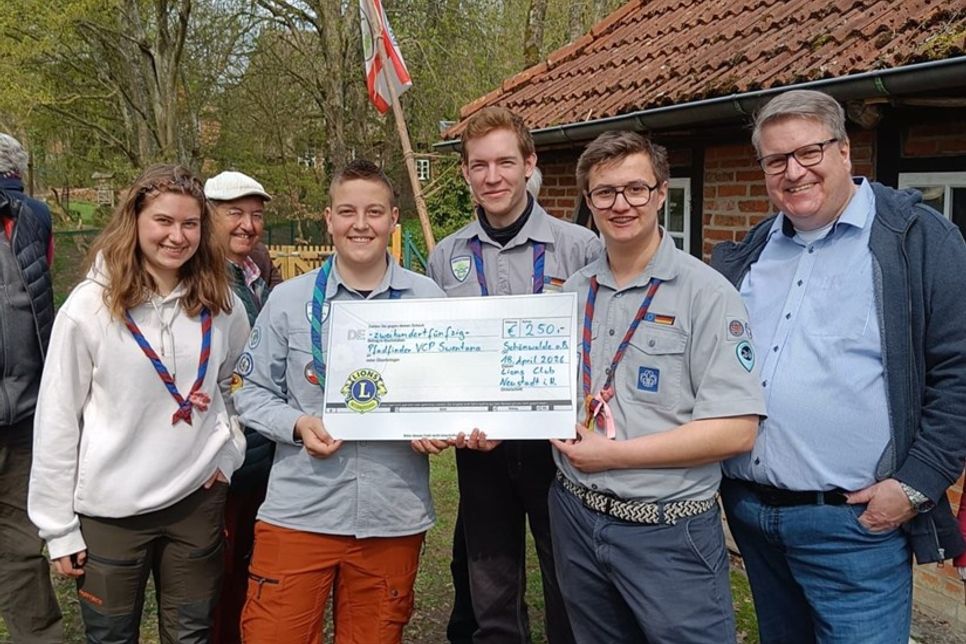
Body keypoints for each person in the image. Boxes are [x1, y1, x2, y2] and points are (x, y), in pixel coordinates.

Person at [711, 89, 966, 643]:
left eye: (809, 152)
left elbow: (959, 375)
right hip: (753, 516)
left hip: (854, 526)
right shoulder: (749, 255)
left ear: (846, 151)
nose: (794, 171)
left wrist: (917, 484)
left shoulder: (917, 242)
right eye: (776, 160)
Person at [548, 130, 763, 643]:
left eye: (635, 189)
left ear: (661, 192)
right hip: (576, 516)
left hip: (668, 529)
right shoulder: (572, 293)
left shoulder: (708, 295)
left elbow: (736, 431)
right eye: (605, 192)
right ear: (589, 201)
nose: (621, 204)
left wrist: (613, 457)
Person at [28, 164, 250, 643]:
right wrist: (57, 528)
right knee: (111, 636)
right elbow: (57, 419)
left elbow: (237, 389)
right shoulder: (89, 308)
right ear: (136, 221)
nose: (177, 236)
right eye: (163, 222)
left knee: (190, 634)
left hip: (196, 500)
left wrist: (229, 454)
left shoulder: (222, 303)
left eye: (190, 224)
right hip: (112, 511)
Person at [235, 159, 446, 643]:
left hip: (392, 515)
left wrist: (438, 424)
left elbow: (445, 394)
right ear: (328, 219)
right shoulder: (288, 300)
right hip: (300, 511)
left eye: (374, 212)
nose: (361, 224)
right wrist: (296, 423)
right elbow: (249, 393)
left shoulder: (428, 299)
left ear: (394, 219)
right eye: (347, 211)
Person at [427, 106, 601, 644]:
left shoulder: (581, 248)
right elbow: (437, 355)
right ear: (465, 173)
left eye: (505, 162)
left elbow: (600, 345)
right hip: (481, 451)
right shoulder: (445, 257)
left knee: (568, 580)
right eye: (480, 165)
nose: (493, 176)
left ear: (530, 163)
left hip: (558, 448)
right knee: (491, 588)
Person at [204, 170, 277, 644]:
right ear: (208, 216)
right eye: (235, 214)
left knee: (252, 568)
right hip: (219, 457)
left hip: (262, 448)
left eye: (255, 215)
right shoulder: (201, 279)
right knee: (217, 575)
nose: (247, 225)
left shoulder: (257, 272)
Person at [0, 133, 62, 642]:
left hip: (25, 411)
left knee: (21, 544)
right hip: (28, 403)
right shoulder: (36, 214)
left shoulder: (33, 218)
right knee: (20, 545)